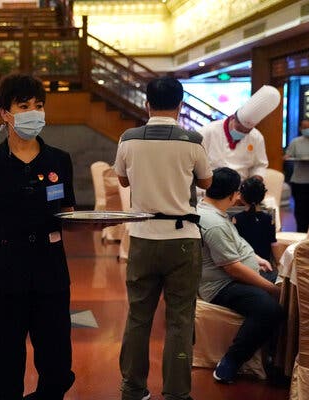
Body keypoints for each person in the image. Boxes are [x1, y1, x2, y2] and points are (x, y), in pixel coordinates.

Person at [0, 73, 76, 399]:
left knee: (58, 369)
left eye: (39, 105)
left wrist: (93, 224)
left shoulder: (59, 160)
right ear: (4, 113)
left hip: (51, 274)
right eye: (24, 106)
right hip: (4, 276)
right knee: (7, 368)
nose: (34, 112)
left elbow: (70, 216)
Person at [113, 76, 213, 400]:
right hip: (182, 239)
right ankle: (176, 393)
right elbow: (208, 182)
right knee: (180, 320)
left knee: (138, 316)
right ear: (180, 106)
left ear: (147, 104)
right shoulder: (193, 140)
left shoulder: (128, 139)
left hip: (142, 237)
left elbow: (123, 180)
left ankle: (132, 389)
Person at [197, 167, 284, 383]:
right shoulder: (214, 223)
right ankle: (231, 362)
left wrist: (255, 258)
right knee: (269, 308)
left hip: (235, 276)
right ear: (232, 194)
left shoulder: (214, 212)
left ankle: (278, 357)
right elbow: (233, 268)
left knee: (291, 287)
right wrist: (270, 288)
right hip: (222, 285)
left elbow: (236, 244)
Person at [199, 85, 280, 180]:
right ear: (233, 118)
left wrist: (256, 179)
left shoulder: (256, 137)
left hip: (240, 188)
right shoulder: (208, 131)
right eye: (240, 129)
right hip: (211, 187)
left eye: (247, 131)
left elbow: (260, 165)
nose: (242, 133)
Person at [232, 176, 278, 282]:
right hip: (266, 267)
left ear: (241, 197)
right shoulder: (269, 218)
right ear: (263, 196)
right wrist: (279, 265)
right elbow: (274, 244)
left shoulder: (236, 219)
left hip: (245, 267)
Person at [284, 119, 309, 233]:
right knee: (300, 210)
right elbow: (287, 156)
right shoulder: (295, 142)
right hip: (299, 181)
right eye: (304, 127)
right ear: (300, 128)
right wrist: (287, 158)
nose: (306, 130)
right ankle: (300, 234)